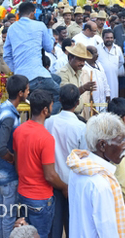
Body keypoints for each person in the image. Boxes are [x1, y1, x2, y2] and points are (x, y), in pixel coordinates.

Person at [66, 112, 125, 238]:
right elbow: (108, 232)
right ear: (102, 145)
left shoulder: (77, 168)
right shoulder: (101, 184)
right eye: (120, 140)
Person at [13, 90, 67, 238]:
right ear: (45, 110)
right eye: (51, 106)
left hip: (23, 194)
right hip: (40, 199)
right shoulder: (46, 138)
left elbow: (17, 166)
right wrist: (64, 187)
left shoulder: (19, 130)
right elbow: (50, 175)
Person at [44, 84, 87, 238]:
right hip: (72, 184)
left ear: (59, 100)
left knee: (54, 226)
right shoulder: (81, 127)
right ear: (77, 102)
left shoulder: (49, 122)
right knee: (73, 226)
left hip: (53, 181)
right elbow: (84, 159)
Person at [4, 2, 61, 114]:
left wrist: (17, 70)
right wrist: (49, 27)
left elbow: (7, 55)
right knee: (60, 96)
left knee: (57, 79)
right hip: (39, 77)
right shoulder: (40, 25)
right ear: (32, 13)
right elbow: (49, 47)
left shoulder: (11, 28)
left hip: (22, 80)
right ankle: (48, 121)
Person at [0, 75, 29, 238]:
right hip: (8, 174)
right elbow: (0, 147)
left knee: (2, 213)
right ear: (21, 93)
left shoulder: (3, 107)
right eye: (27, 89)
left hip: (1, 173)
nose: (29, 92)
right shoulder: (9, 115)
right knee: (8, 217)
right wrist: (12, 158)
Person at [107, 98, 125, 216]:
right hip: (117, 193)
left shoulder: (106, 135)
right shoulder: (119, 143)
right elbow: (121, 176)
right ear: (124, 118)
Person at [58, 42, 96, 113]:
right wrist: (83, 88)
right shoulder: (63, 73)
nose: (82, 63)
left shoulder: (79, 71)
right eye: (79, 60)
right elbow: (67, 96)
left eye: (84, 60)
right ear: (70, 58)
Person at [80, 45, 110, 118]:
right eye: (95, 53)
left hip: (102, 102)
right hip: (91, 103)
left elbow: (104, 80)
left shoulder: (99, 64)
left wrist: (107, 93)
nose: (97, 54)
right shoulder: (84, 68)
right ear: (88, 54)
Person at [98, 29, 125, 99]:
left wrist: (113, 68)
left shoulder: (117, 49)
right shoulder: (97, 49)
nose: (109, 39)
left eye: (111, 38)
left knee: (113, 98)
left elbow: (121, 61)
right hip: (100, 79)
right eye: (107, 38)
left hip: (114, 79)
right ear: (103, 38)